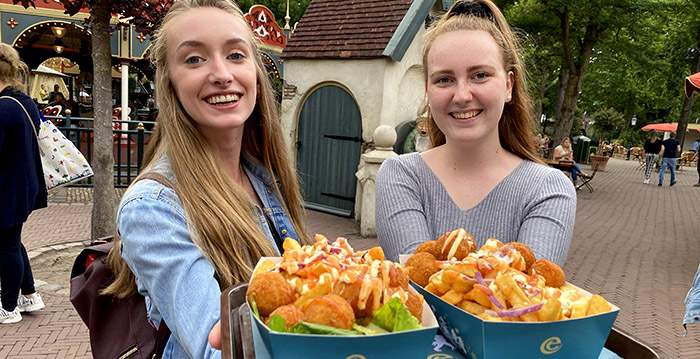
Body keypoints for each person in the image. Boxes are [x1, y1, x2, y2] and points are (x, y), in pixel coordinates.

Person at [101, 1, 312, 357]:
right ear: (170, 83)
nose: (221, 73)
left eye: (235, 55)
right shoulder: (152, 208)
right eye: (194, 59)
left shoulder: (263, 175)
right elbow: (215, 350)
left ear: (256, 72)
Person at [375, 0, 576, 266]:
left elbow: (526, 300)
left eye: (479, 75)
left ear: (508, 85)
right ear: (428, 90)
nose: (462, 95)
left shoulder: (548, 190)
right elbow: (420, 282)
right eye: (444, 79)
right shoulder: (400, 176)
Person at [0, 43, 47, 324]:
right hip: (23, 184)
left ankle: (8, 308)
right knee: (11, 242)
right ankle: (29, 295)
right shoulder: (24, 101)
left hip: (7, 188)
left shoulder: (3, 108)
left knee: (5, 246)